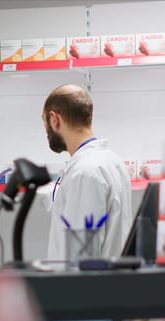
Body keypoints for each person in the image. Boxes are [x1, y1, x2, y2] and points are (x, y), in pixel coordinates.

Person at [42, 84, 132, 259]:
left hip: (85, 284)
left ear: (54, 119)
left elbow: (80, 257)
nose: (46, 131)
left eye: (44, 122)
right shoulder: (111, 160)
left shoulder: (84, 172)